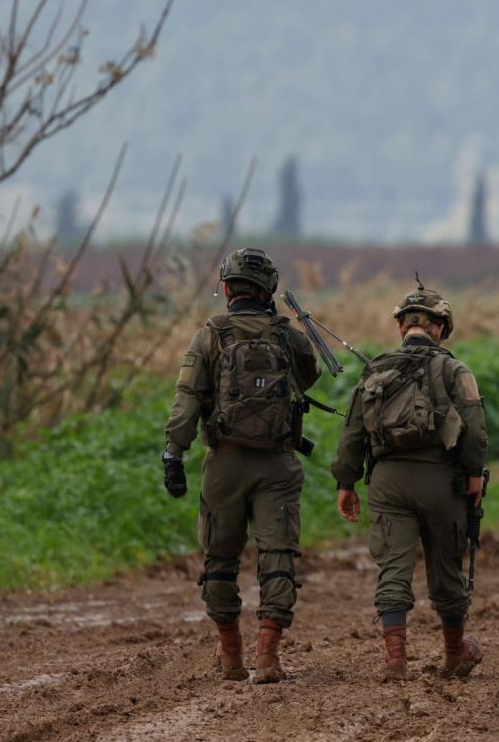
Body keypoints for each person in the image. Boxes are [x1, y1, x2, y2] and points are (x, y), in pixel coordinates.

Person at [162, 247, 321, 683]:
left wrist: (174, 454)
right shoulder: (286, 335)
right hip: (277, 465)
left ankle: (231, 658)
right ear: (268, 289)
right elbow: (310, 376)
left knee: (220, 559)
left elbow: (187, 399)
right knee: (278, 558)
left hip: (225, 465)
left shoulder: (210, 334)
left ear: (227, 288)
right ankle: (268, 658)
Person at [331, 281, 488, 680]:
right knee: (447, 569)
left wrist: (346, 483)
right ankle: (454, 654)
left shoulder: (375, 370)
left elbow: (352, 434)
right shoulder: (455, 369)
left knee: (393, 569)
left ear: (402, 327)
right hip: (442, 482)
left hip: (387, 483)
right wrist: (473, 476)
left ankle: (395, 660)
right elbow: (474, 429)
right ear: (440, 328)